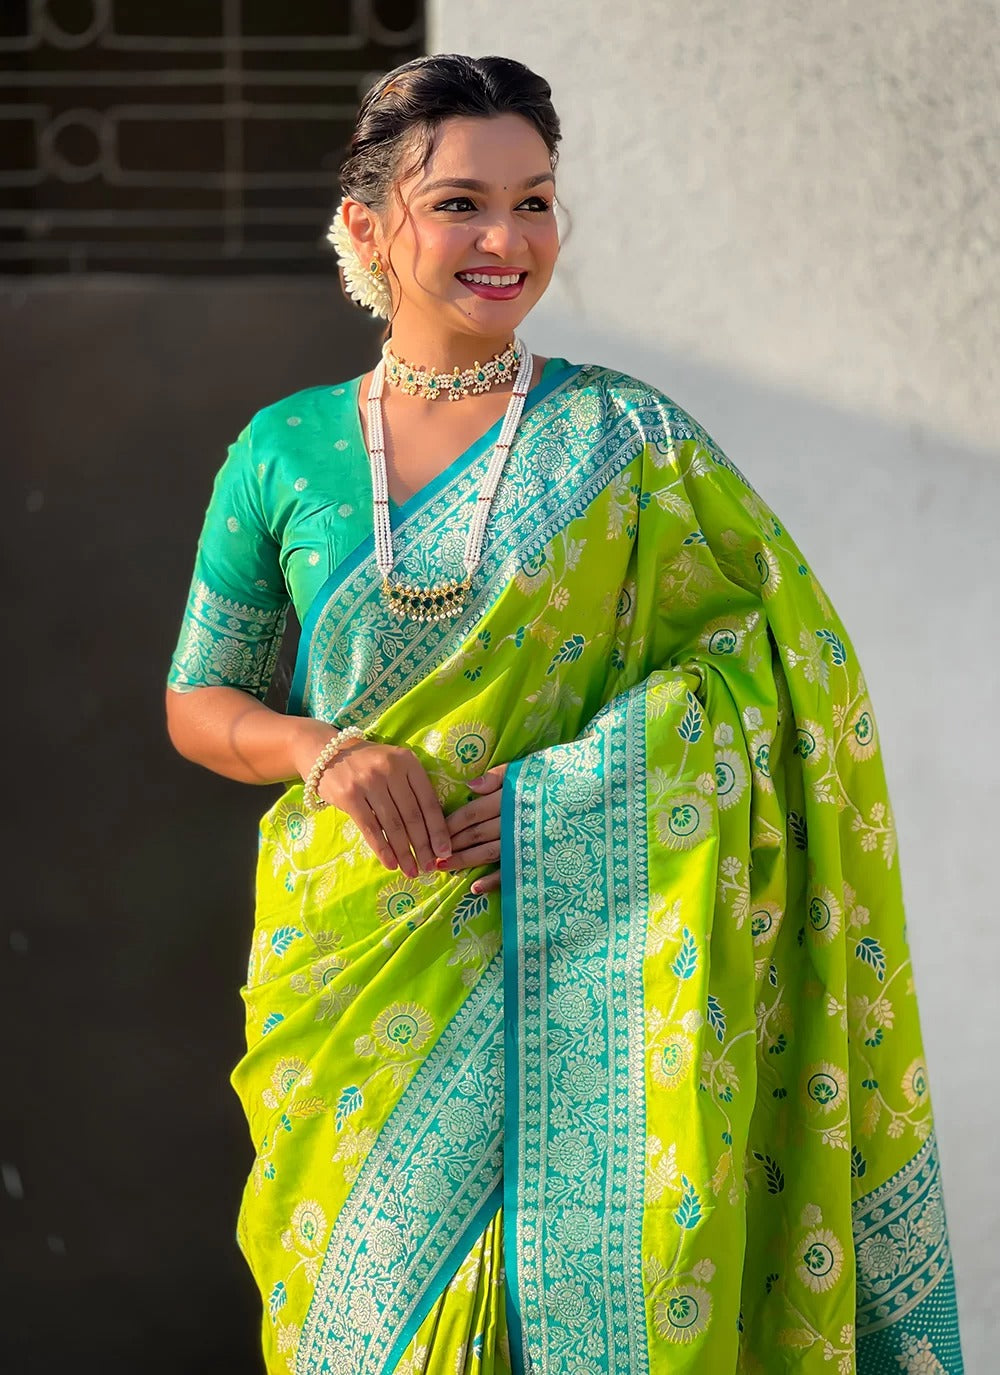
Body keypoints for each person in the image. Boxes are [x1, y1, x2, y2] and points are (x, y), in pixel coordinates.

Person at [165, 52, 963, 1375]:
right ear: (367, 228)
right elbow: (204, 699)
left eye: (536, 202)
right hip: (360, 962)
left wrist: (583, 789)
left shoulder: (630, 441)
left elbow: (785, 670)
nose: (506, 239)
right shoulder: (283, 451)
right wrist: (325, 753)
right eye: (462, 202)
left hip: (604, 949)